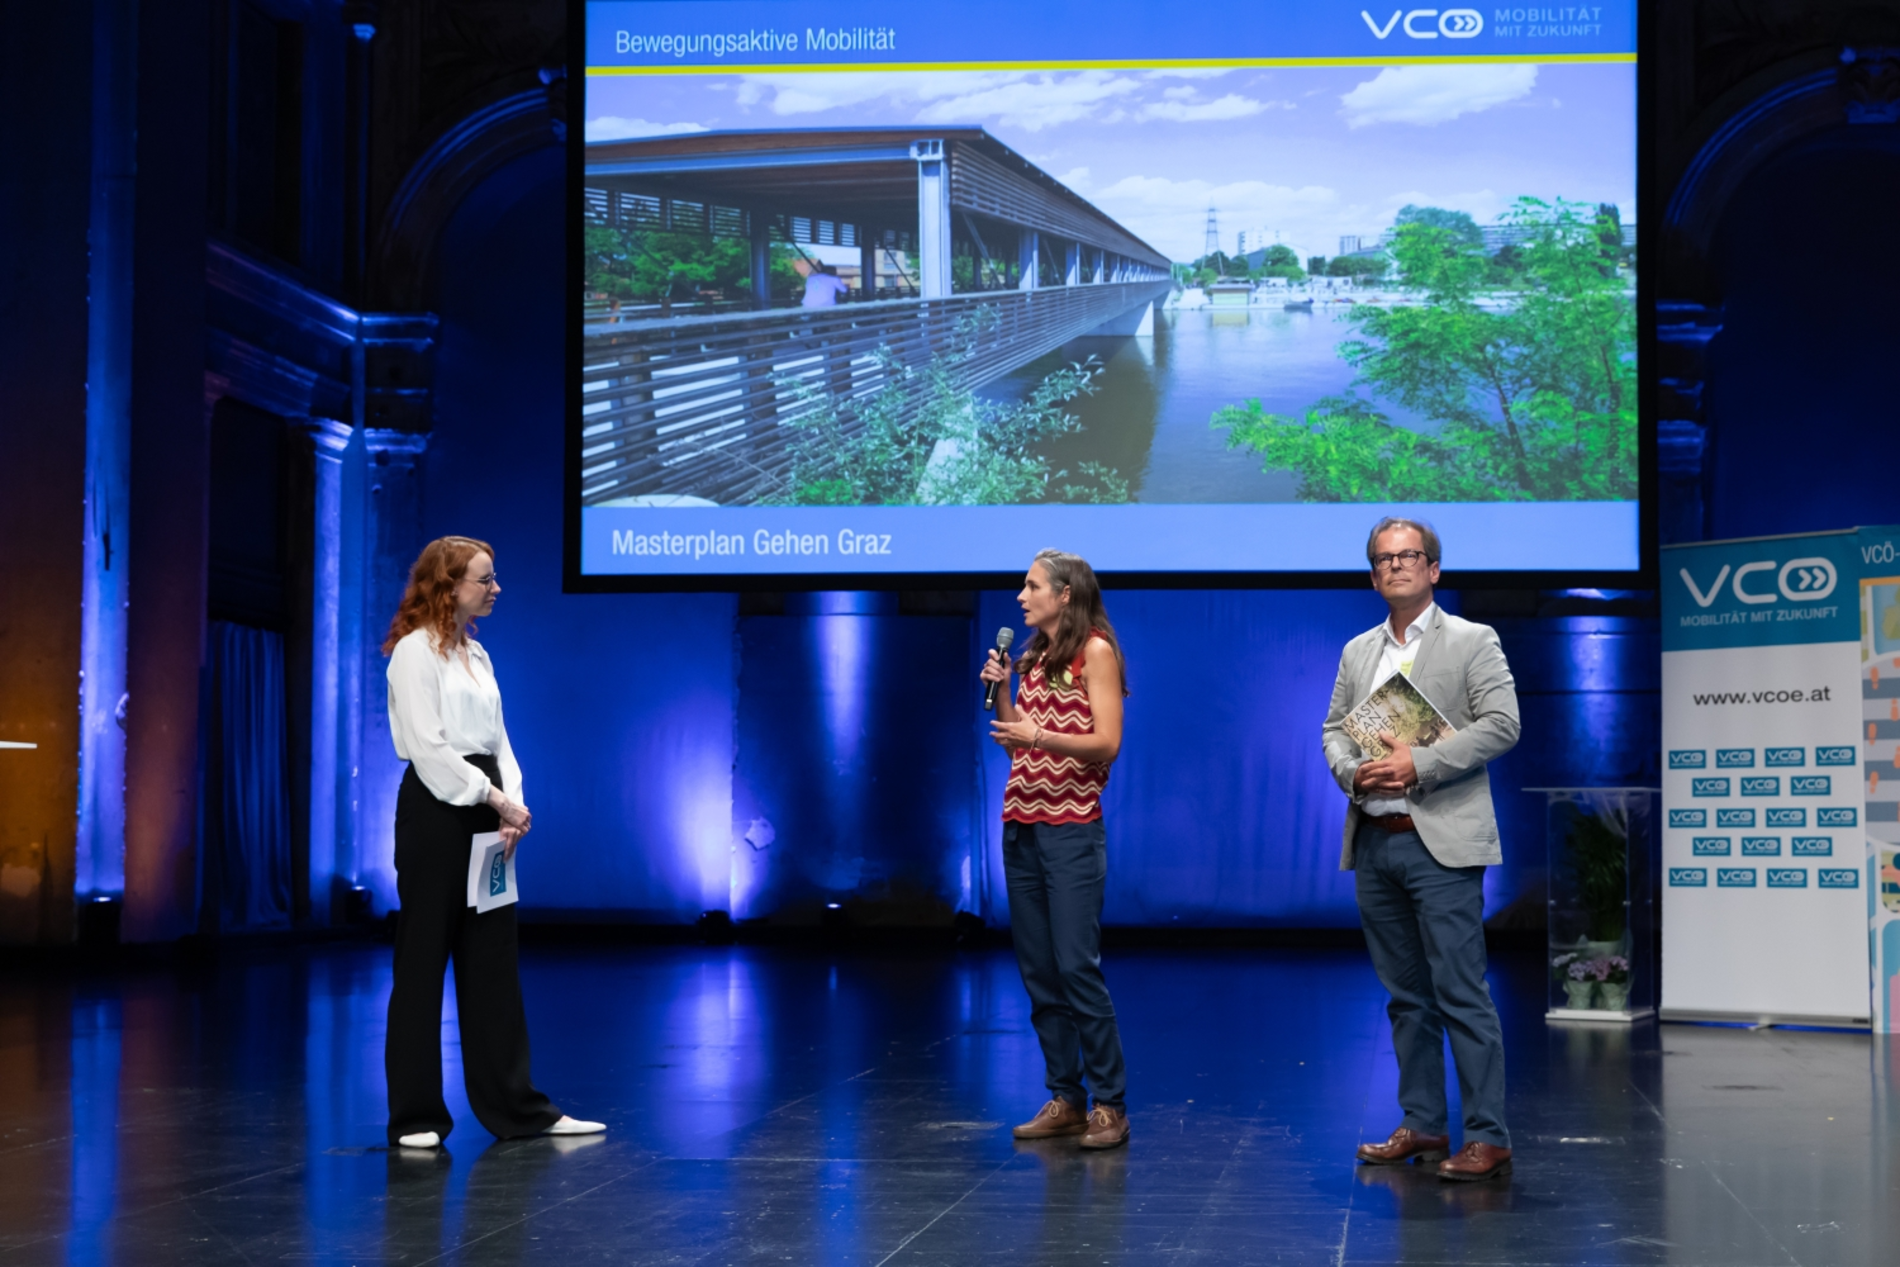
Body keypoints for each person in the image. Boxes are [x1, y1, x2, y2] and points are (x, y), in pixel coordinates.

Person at [381, 535, 604, 1149]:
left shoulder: (478, 656)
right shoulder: (413, 654)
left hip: (488, 812)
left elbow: (500, 740)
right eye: (485, 578)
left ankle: (519, 1108)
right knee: (423, 961)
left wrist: (514, 802)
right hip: (436, 813)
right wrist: (494, 797)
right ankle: (416, 1116)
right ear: (449, 587)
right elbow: (428, 748)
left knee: (493, 964)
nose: (496, 587)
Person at [1322, 517, 1520, 1181]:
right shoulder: (1357, 651)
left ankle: (1488, 1135)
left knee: (1461, 992)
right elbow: (1333, 730)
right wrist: (1353, 770)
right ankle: (1425, 1122)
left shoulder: (1472, 639)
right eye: (1383, 558)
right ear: (1373, 573)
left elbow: (1503, 724)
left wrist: (1422, 762)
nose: (1395, 566)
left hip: (1440, 842)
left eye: (1408, 556)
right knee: (1406, 996)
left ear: (1433, 568)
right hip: (1376, 840)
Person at [979, 549, 1132, 1150]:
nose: (1021, 596)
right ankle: (1065, 1097)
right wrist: (1000, 694)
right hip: (1021, 822)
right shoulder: (1033, 657)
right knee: (1039, 972)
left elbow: (1107, 743)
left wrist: (1039, 734)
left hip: (1071, 828)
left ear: (1064, 593)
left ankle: (1109, 1105)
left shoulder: (1094, 651)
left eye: (1032, 586)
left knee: (1075, 967)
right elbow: (1018, 748)